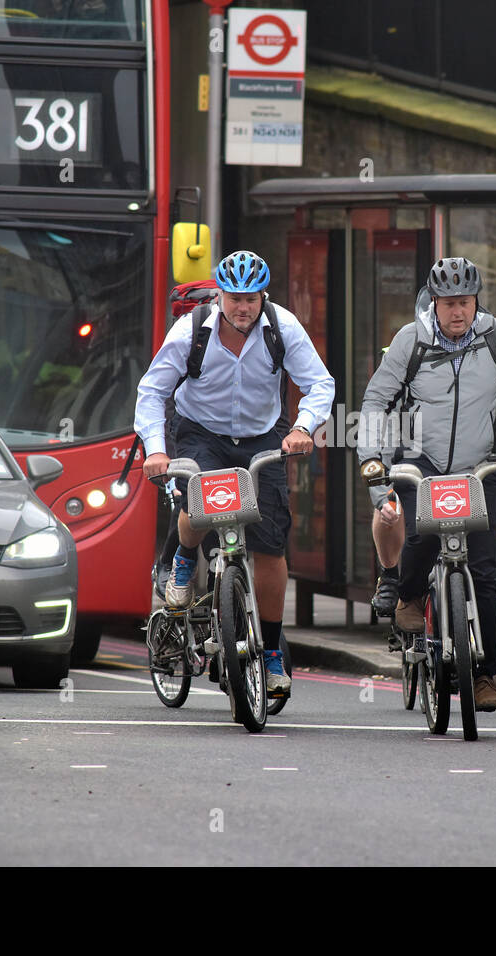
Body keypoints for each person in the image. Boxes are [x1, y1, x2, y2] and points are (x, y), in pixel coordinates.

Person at [136, 250, 335, 699]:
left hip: (263, 436)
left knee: (268, 545)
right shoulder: (191, 330)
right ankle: (185, 562)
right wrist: (156, 450)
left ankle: (270, 652)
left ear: (263, 296)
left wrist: (304, 427)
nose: (243, 307)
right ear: (220, 295)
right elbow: (151, 391)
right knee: (199, 503)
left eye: (252, 298)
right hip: (200, 432)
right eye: (234, 298)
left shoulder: (282, 327)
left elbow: (321, 383)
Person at [357, 257, 496, 712]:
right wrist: (374, 459)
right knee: (419, 535)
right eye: (448, 303)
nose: (458, 312)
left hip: (481, 464)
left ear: (476, 300)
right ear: (433, 303)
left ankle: (484, 675)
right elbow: (377, 400)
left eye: (465, 302)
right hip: (424, 460)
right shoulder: (409, 340)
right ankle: (410, 595)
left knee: (484, 569)